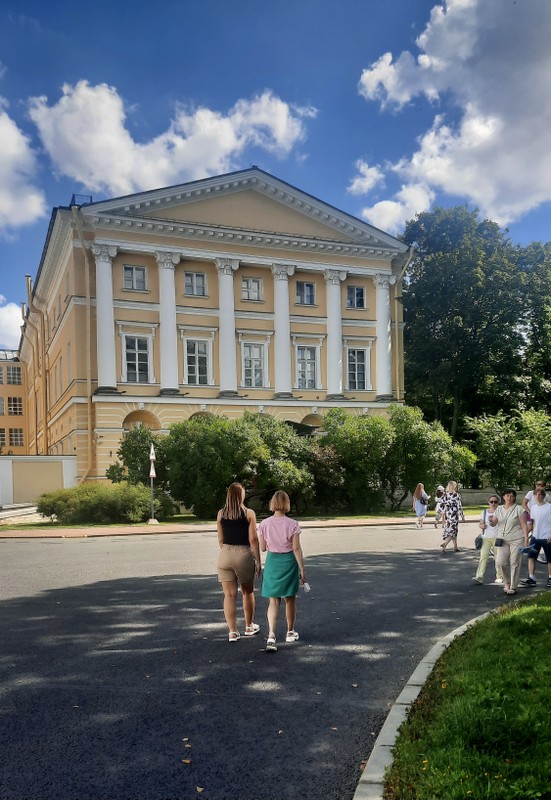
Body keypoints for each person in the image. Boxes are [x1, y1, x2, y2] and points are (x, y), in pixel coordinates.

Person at [258, 490, 306, 653]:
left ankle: (271, 635)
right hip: (289, 562)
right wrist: (302, 568)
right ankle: (290, 631)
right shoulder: (293, 524)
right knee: (290, 599)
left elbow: (263, 548)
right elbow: (296, 548)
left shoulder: (264, 524)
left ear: (272, 503)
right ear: (287, 503)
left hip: (273, 562)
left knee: (273, 601)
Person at [216, 482, 261, 643]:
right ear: (241, 495)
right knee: (247, 592)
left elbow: (220, 539)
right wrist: (258, 560)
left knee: (229, 595)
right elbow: (253, 539)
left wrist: (227, 551)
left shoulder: (221, 514)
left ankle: (233, 632)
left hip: (225, 554)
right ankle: (249, 626)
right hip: (243, 554)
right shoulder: (249, 513)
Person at [488, 488, 529, 595]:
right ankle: (507, 582)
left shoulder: (519, 509)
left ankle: (513, 586)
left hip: (517, 538)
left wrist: (526, 539)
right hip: (502, 539)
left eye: (512, 496)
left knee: (514, 562)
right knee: (500, 562)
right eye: (507, 496)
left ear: (514, 497)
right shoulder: (499, 509)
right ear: (503, 497)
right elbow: (494, 523)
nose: (509, 498)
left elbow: (524, 525)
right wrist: (491, 521)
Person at [519, 487, 551, 587]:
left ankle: (550, 578)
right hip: (535, 537)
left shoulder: (549, 507)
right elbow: (533, 523)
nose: (537, 496)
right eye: (536, 494)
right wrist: (527, 536)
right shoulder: (533, 508)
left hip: (547, 537)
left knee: (550, 559)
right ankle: (532, 578)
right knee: (531, 557)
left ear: (544, 496)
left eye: (540, 494)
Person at [472, 494, 504, 585]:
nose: (493, 503)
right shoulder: (484, 512)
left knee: (498, 558)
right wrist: (482, 525)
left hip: (497, 537)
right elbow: (480, 523)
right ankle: (479, 577)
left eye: (495, 502)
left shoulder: (500, 512)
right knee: (483, 556)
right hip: (486, 537)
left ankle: (499, 577)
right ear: (488, 502)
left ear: (498, 503)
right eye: (491, 502)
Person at [440, 481, 463, 553]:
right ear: (454, 486)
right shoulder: (456, 495)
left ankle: (455, 547)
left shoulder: (445, 495)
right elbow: (459, 506)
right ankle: (445, 544)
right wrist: (462, 515)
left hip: (448, 514)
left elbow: (442, 504)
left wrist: (442, 512)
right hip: (454, 514)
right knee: (453, 530)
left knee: (450, 529)